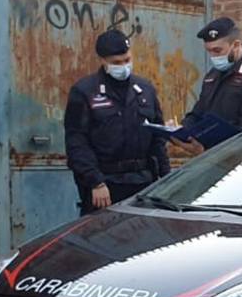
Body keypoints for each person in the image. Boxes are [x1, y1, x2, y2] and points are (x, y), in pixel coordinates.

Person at [64, 29, 170, 214]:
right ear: (103, 60)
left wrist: (166, 178)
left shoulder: (144, 89)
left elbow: (157, 137)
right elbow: (77, 142)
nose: (124, 66)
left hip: (144, 182)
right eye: (116, 63)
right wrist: (95, 182)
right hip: (106, 183)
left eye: (127, 60)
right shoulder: (85, 91)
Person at [168, 17, 242, 157]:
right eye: (209, 51)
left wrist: (206, 153)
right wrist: (180, 129)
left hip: (238, 170)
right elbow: (198, 113)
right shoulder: (213, 76)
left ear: (236, 45)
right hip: (209, 164)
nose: (213, 56)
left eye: (217, 51)